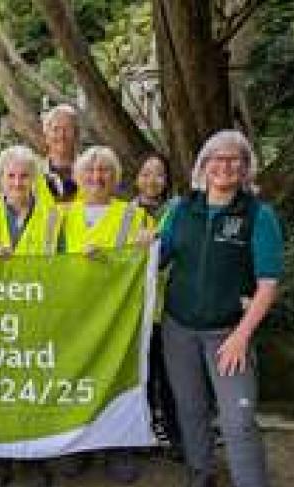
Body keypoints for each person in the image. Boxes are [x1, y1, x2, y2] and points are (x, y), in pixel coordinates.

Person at [159, 130, 283, 487]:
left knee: (238, 418)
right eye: (217, 158)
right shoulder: (181, 210)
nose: (225, 166)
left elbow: (268, 284)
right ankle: (201, 474)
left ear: (245, 169)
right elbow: (158, 257)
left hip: (229, 333)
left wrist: (242, 336)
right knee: (191, 408)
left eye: (235, 160)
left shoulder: (258, 215)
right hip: (178, 329)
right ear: (203, 165)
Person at [0, 145, 63, 487]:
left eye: (25, 175)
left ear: (35, 179)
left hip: (38, 314)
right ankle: (0, 457)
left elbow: (66, 265)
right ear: (1, 181)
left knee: (33, 389)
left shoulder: (54, 217)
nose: (18, 181)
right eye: (11, 176)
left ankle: (34, 457)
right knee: (0, 391)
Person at [62, 146, 154, 484]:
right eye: (90, 171)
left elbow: (149, 263)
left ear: (115, 178)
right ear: (78, 176)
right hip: (72, 313)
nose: (96, 177)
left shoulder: (134, 216)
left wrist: (148, 244)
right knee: (77, 378)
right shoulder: (60, 215)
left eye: (104, 171)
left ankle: (119, 447)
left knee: (116, 379)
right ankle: (80, 445)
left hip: (117, 316)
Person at [134, 152, 182, 460]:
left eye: (159, 174)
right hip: (138, 310)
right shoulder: (126, 213)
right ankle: (144, 433)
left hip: (172, 307)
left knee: (173, 377)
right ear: (137, 178)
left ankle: (177, 437)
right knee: (143, 375)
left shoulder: (178, 211)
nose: (152, 180)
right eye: (146, 173)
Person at [40, 104, 80, 203]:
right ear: (46, 135)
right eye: (56, 129)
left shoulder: (93, 173)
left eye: (67, 129)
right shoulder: (33, 174)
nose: (61, 135)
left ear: (77, 134)